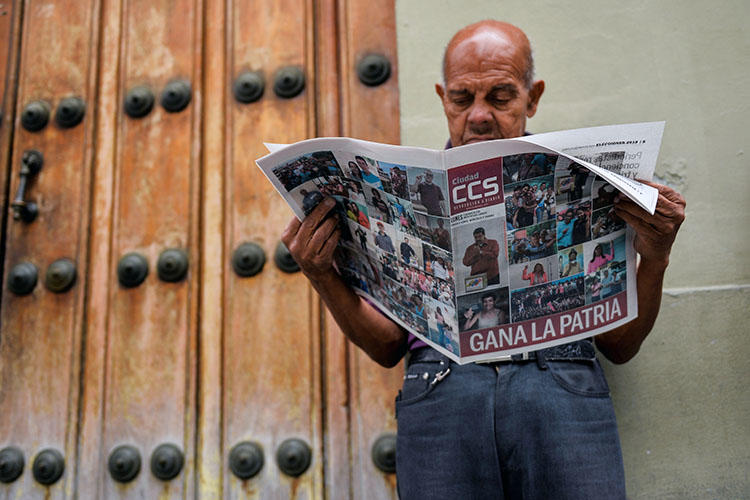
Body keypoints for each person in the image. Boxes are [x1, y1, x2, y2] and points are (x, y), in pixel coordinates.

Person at [281, 20, 685, 500]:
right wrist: (322, 274)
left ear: (532, 98)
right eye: (461, 98)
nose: (478, 116)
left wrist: (655, 258)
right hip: (442, 391)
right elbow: (388, 347)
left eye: (500, 97)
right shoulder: (408, 196)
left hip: (562, 387)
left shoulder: (588, 183)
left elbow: (620, 346)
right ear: (442, 98)